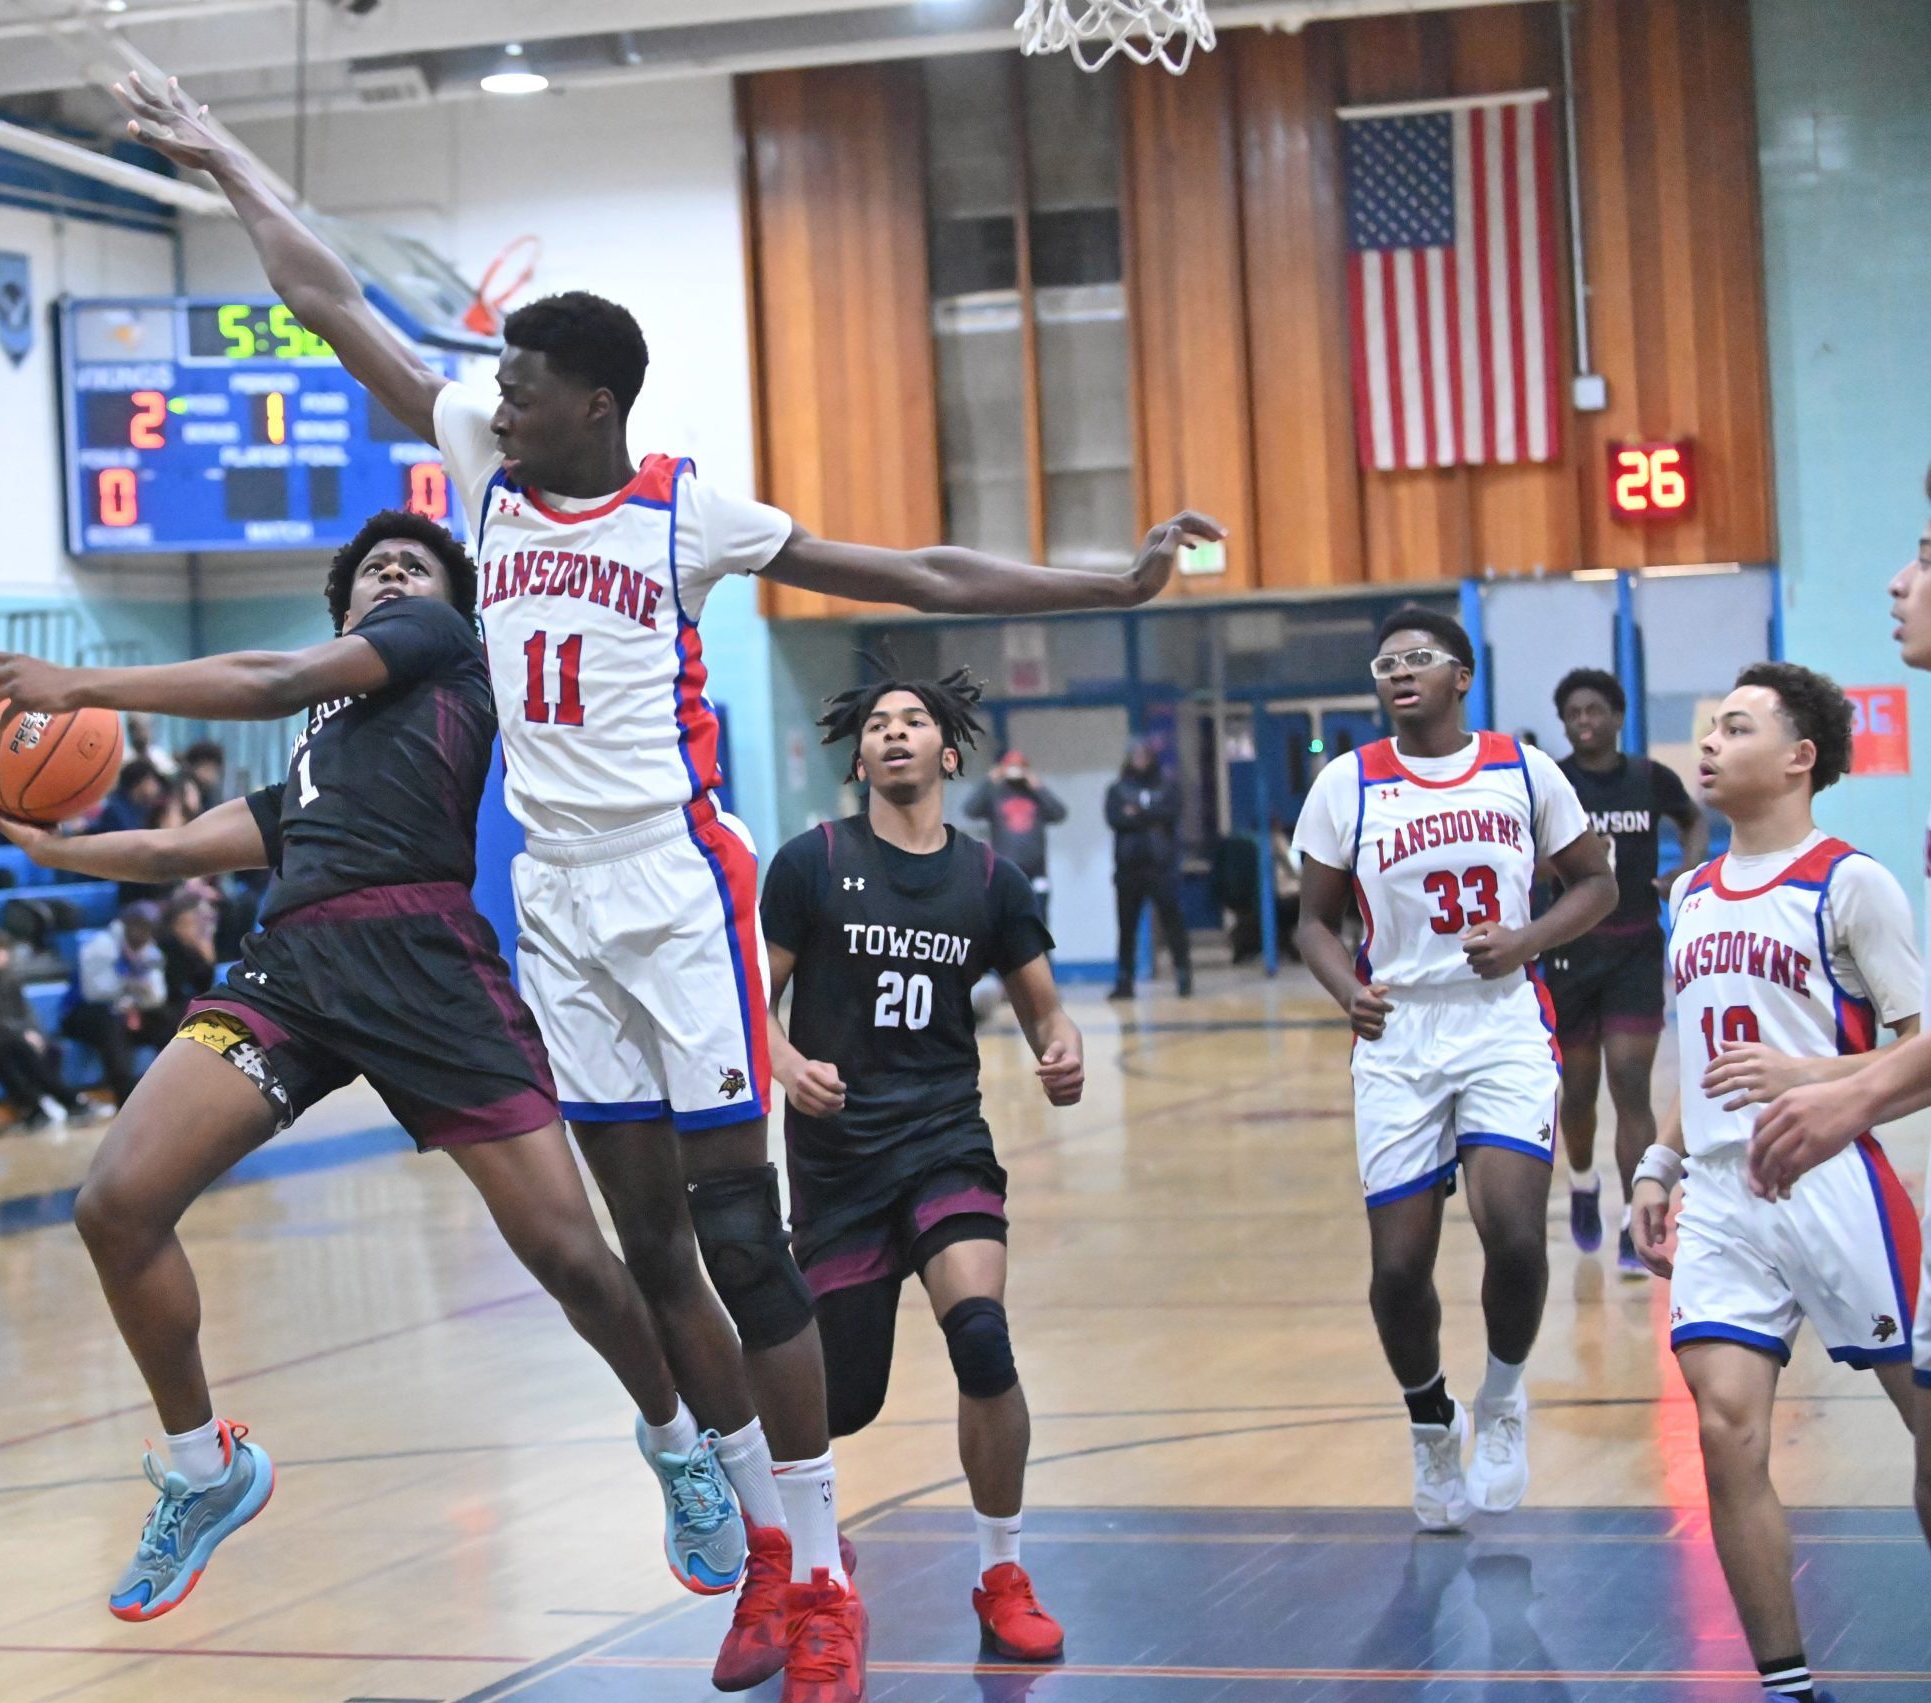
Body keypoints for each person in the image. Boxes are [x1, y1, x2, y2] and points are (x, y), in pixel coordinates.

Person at [98, 69, 1223, 1703]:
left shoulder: (688, 507)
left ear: (596, 401)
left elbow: (909, 570)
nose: (491, 395)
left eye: (524, 382)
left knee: (740, 1230)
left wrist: (1107, 577)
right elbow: (334, 304)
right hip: (557, 899)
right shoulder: (483, 449)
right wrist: (228, 164)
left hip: (674, 879)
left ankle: (828, 1575)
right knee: (648, 1243)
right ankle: (761, 1543)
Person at [0, 511, 747, 1627]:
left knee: (571, 1254)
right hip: (294, 974)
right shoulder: (327, 745)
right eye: (370, 566)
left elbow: (274, 673)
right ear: (342, 609)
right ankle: (204, 1466)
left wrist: (78, 685)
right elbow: (188, 844)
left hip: (424, 965)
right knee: (117, 1202)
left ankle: (675, 1441)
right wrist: (55, 850)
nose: (388, 571)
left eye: (409, 564)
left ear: (437, 603)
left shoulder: (435, 643)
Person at [762, 667, 1083, 1664]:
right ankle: (813, 1552)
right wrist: (782, 1061)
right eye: (876, 724)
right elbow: (747, 994)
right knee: (839, 1400)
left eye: (915, 722)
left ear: (950, 753)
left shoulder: (990, 878)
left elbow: (1042, 1004)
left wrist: (1059, 1044)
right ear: (856, 756)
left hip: (943, 1139)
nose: (894, 734)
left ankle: (1001, 1572)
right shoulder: (809, 861)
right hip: (838, 1158)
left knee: (981, 1339)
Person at [1289, 605, 1616, 1531]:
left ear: (1462, 675)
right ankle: (1432, 1419)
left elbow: (1597, 883)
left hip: (1501, 1021)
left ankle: (1504, 1398)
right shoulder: (1346, 784)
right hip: (1397, 1035)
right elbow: (1313, 920)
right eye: (1384, 660)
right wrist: (1340, 986)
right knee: (1398, 1270)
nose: (1399, 671)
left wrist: (1525, 940)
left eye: (1419, 658)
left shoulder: (1523, 768)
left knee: (1512, 1230)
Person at [1630, 663, 1920, 1703]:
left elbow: (1918, 1054)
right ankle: (1786, 1685)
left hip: (1837, 1177)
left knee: (1924, 1417)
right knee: (1722, 1427)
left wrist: (1808, 1075)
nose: (1708, 743)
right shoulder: (1686, 893)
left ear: (1799, 757)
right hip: (1721, 1194)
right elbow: (1699, 1048)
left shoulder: (1852, 881)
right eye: (1709, 726)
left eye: (1737, 726)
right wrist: (1660, 1157)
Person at [1750, 474, 1931, 1555]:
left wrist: (1846, 1095)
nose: (1896, 580)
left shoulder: (1849, 882)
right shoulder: (1696, 891)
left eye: (1922, 553)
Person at [1546, 666, 1707, 1272]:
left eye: (1594, 711)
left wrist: (1680, 876)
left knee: (1631, 1085)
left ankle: (1629, 1221)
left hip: (1636, 947)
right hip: (1570, 952)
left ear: (1615, 717)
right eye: (1573, 715)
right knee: (1580, 1095)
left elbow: (1693, 820)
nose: (1584, 722)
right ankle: (1584, 1182)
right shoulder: (1552, 782)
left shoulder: (1648, 778)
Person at [1098, 740, 1188, 1000]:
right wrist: (1151, 818)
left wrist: (1137, 814)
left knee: (1173, 924)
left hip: (1162, 868)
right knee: (1127, 929)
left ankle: (1183, 976)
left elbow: (1171, 813)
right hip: (1128, 869)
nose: (1139, 760)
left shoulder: (1167, 786)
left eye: (1144, 755)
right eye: (1135, 755)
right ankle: (1125, 981)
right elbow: (1116, 819)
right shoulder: (1118, 789)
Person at [0, 928, 78, 1130]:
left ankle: (53, 1102)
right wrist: (23, 1034)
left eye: (3, 951)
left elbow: (26, 1013)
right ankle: (54, 1101)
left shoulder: (12, 981)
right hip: (0, 1042)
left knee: (41, 1048)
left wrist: (35, 1033)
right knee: (12, 1051)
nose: (0, 957)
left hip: (17, 1039)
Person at [62, 901, 171, 1106]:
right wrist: (132, 986)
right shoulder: (101, 945)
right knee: (111, 1024)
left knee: (168, 1019)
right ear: (127, 923)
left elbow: (157, 996)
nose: (142, 931)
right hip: (81, 1013)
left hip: (126, 1009)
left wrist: (135, 995)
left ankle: (175, 1087)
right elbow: (94, 992)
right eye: (138, 925)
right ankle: (125, 1098)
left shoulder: (151, 950)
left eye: (148, 927)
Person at [967, 748, 1070, 928]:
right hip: (1005, 871)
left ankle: (1041, 956)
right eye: (1011, 766)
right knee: (1005, 921)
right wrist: (989, 781)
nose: (1015, 771)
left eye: (1019, 767)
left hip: (1036, 870)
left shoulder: (1035, 795)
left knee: (1039, 921)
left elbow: (1059, 813)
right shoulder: (995, 795)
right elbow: (970, 810)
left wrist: (1039, 787)